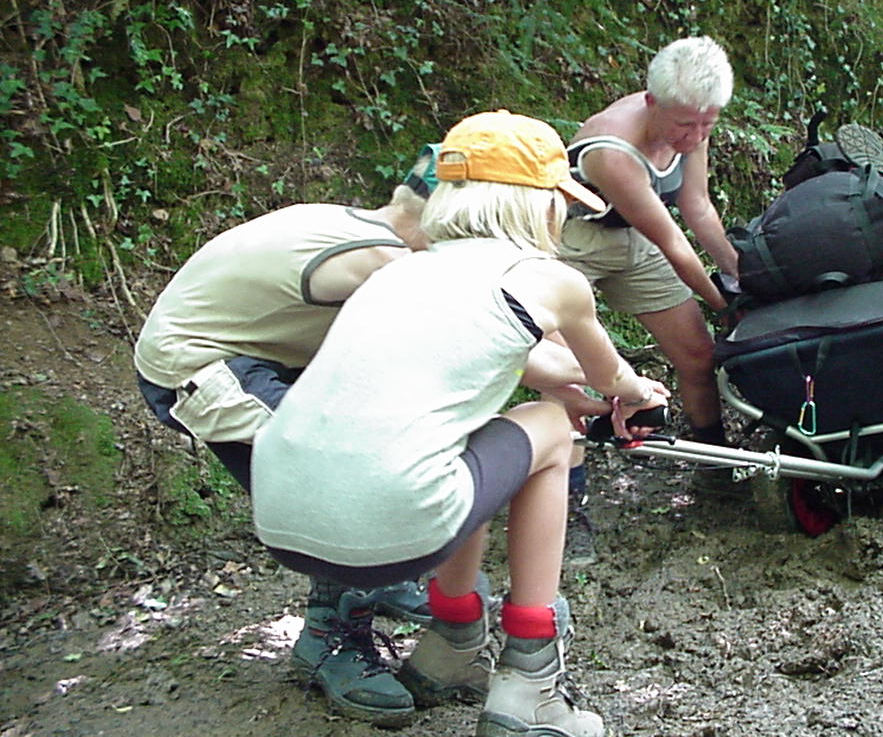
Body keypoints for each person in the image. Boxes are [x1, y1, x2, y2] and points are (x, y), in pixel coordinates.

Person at [133, 163, 604, 727]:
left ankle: (392, 584)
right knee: (336, 466)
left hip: (265, 352)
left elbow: (521, 329)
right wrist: (610, 384)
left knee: (387, 433)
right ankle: (330, 637)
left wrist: (574, 375)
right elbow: (509, 343)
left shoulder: (367, 228)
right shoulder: (385, 263)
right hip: (206, 368)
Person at [251, 110, 669, 737]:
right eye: (560, 202)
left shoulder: (397, 270)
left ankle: (452, 647)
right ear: (537, 204)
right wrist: (639, 395)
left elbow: (512, 361)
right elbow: (611, 380)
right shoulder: (548, 280)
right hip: (386, 524)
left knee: (477, 434)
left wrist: (583, 389)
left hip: (282, 516)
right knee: (552, 428)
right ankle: (530, 683)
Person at [557, 37, 740, 556]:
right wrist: (726, 304)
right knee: (568, 372)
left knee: (698, 354)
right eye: (686, 125)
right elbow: (674, 243)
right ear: (651, 102)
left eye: (707, 124)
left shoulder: (693, 117)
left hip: (632, 237)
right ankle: (568, 505)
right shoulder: (611, 150)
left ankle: (715, 469)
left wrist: (741, 274)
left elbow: (697, 207)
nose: (696, 136)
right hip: (572, 240)